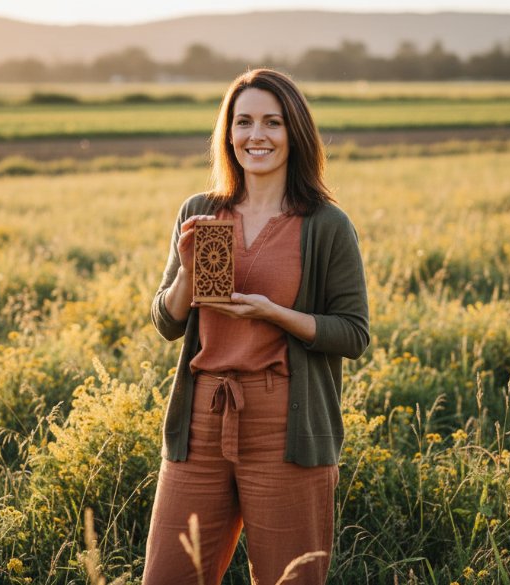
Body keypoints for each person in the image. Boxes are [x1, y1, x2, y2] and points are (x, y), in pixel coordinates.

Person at [144, 68, 369, 585]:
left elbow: (353, 333)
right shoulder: (200, 211)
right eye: (243, 122)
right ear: (228, 134)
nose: (257, 135)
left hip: (285, 423)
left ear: (295, 133)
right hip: (200, 420)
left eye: (272, 122)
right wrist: (186, 269)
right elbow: (166, 322)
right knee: (169, 576)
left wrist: (274, 313)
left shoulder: (326, 225)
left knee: (287, 578)